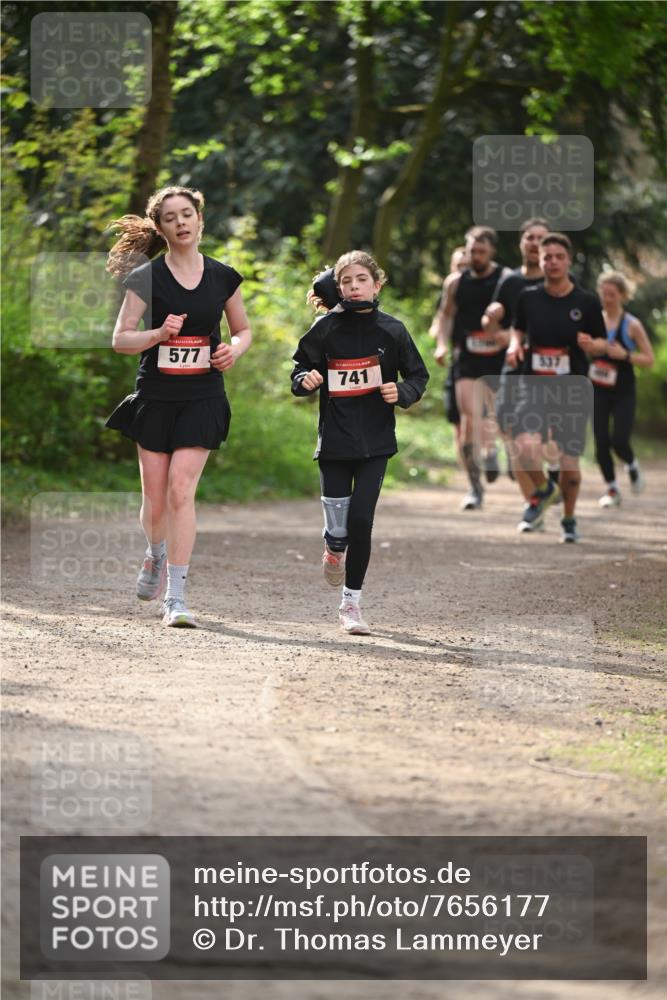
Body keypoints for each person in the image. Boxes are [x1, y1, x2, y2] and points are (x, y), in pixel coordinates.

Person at [105, 186, 252, 627]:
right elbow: (120, 339)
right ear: (161, 227)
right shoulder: (147, 277)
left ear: (200, 220)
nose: (181, 223)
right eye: (171, 218)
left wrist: (233, 350)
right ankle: (155, 553)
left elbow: (243, 330)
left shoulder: (224, 276)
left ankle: (178, 598)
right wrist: (156, 336)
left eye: (187, 214)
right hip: (156, 397)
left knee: (180, 492)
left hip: (203, 396)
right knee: (154, 505)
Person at [291, 251, 429, 635]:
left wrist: (400, 391)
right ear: (339, 288)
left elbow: (419, 376)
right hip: (334, 442)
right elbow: (299, 368)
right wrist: (305, 380)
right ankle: (333, 548)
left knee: (362, 521)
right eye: (346, 282)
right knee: (339, 531)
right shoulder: (326, 328)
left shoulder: (393, 330)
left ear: (376, 285)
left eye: (361, 280)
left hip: (376, 442)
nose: (354, 287)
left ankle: (350, 603)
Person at [506, 233, 607, 542]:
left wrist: (593, 344)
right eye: (546, 257)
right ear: (539, 259)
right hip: (533, 384)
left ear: (568, 260)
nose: (551, 262)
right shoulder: (529, 296)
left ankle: (569, 519)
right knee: (523, 446)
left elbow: (603, 342)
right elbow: (518, 328)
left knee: (568, 463)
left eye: (557, 257)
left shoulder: (586, 301)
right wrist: (514, 345)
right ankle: (545, 489)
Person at [433, 226, 510, 509]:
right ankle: (475, 488)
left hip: (498, 359)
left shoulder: (505, 279)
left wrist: (509, 336)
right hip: (467, 358)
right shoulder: (455, 282)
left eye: (481, 251)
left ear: (492, 251)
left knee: (498, 415)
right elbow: (445, 316)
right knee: (468, 418)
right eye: (471, 251)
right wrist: (441, 344)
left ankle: (496, 452)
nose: (475, 256)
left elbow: (521, 317)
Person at [482, 218, 558, 503]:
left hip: (550, 372)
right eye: (529, 237)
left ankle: (547, 478)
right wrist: (492, 320)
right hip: (514, 366)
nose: (534, 242)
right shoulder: (510, 280)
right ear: (521, 242)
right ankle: (535, 503)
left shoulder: (560, 282)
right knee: (510, 433)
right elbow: (492, 327)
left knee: (540, 441)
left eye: (541, 237)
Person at [587, 271, 654, 507]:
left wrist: (624, 354)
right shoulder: (594, 320)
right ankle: (612, 488)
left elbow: (649, 359)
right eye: (603, 294)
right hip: (598, 389)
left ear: (623, 295)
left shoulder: (632, 324)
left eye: (612, 294)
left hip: (623, 390)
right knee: (601, 441)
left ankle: (632, 465)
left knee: (620, 440)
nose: (607, 298)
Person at [429, 245, 469, 446]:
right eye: (459, 265)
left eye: (467, 265)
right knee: (457, 420)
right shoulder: (448, 291)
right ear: (452, 267)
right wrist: (441, 343)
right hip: (457, 360)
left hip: (482, 362)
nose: (463, 270)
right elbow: (438, 322)